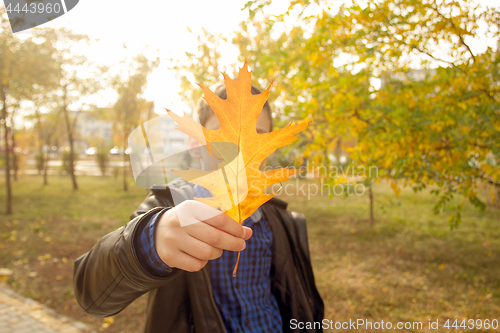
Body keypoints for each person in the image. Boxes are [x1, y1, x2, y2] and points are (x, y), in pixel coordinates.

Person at [73, 83, 324, 333]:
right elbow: (93, 295)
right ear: (195, 146)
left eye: (256, 136)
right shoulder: (167, 212)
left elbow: (301, 302)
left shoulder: (280, 221)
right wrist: (148, 242)